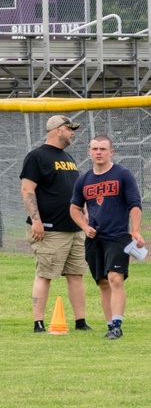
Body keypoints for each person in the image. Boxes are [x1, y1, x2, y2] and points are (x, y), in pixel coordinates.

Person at [20, 115, 92, 333]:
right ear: (58, 130)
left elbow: (76, 192)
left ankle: (81, 322)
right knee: (45, 273)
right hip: (50, 228)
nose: (73, 133)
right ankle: (38, 323)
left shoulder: (67, 157)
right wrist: (36, 220)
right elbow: (27, 189)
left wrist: (84, 216)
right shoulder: (37, 156)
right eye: (70, 129)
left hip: (73, 227)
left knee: (76, 274)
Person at [69, 135, 144, 339]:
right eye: (95, 149)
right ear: (89, 152)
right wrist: (85, 226)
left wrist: (135, 230)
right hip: (95, 238)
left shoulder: (122, 174)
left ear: (111, 152)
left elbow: (135, 205)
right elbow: (74, 208)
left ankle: (117, 326)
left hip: (119, 235)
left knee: (115, 278)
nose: (98, 152)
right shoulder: (84, 179)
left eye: (103, 149)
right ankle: (110, 326)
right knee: (103, 281)